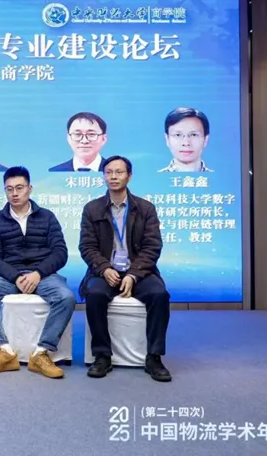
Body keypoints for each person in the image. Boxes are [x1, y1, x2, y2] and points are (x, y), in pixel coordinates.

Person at [0, 166, 75, 378]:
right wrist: (15, 277)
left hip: (43, 276)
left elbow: (60, 253)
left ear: (30, 189)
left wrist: (38, 273)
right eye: (9, 189)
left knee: (66, 297)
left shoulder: (47, 217)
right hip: (10, 276)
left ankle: (42, 353)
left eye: (19, 188)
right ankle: (4, 351)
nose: (14, 193)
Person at [79, 155, 172, 382]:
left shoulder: (145, 208)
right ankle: (102, 355)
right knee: (95, 294)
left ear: (129, 176)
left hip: (139, 271)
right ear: (103, 176)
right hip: (105, 272)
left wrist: (133, 274)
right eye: (109, 172)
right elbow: (87, 246)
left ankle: (154, 357)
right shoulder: (92, 209)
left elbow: (152, 246)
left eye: (119, 172)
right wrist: (104, 268)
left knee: (159, 295)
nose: (113, 176)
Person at [158, 107, 212, 172]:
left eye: (194, 135)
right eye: (178, 135)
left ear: (205, 139)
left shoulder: (218, 177)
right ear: (167, 139)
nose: (186, 143)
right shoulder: (153, 177)